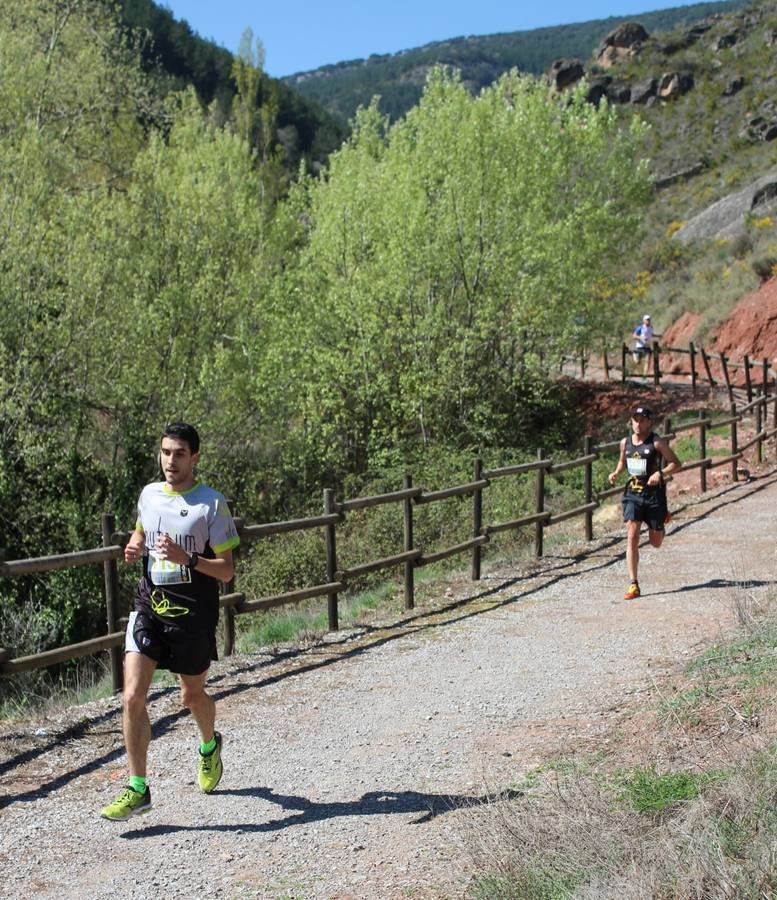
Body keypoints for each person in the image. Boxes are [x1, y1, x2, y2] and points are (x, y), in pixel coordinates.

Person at [101, 422, 240, 821]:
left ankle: (210, 744)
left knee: (191, 697)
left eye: (179, 453)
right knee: (131, 696)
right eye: (165, 452)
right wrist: (134, 545)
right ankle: (138, 787)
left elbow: (227, 571)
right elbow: (142, 534)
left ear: (195, 458)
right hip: (148, 608)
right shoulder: (149, 495)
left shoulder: (211, 505)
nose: (170, 461)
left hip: (192, 615)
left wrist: (189, 559)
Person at [608, 404, 681, 601]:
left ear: (649, 422)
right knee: (632, 535)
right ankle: (634, 584)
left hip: (653, 495)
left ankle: (660, 526)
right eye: (635, 420)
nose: (638, 424)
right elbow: (623, 461)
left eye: (642, 420)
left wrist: (660, 473)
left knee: (655, 542)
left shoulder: (657, 443)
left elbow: (676, 463)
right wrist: (616, 472)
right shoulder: (625, 443)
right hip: (633, 493)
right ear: (631, 422)